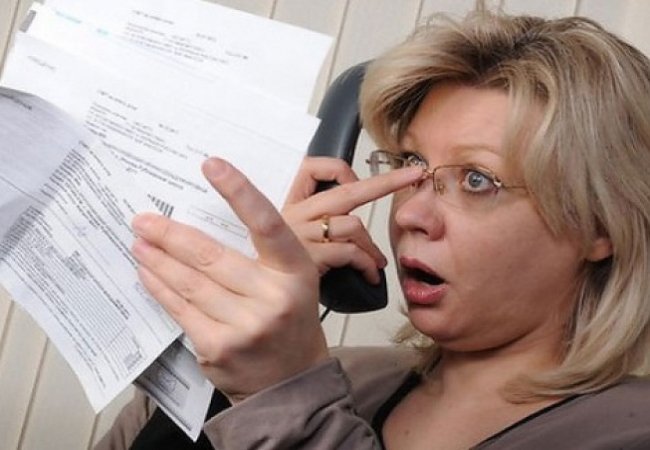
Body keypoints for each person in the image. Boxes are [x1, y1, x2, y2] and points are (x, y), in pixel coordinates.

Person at [96, 2, 650, 449]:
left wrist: (283, 396)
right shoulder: (337, 375)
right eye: (411, 164)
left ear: (599, 223)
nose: (408, 213)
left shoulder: (627, 431)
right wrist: (221, 352)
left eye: (477, 180)